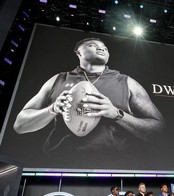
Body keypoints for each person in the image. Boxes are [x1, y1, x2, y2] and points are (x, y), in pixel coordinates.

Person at [13, 37, 165, 153]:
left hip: (114, 164)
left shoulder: (126, 82)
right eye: (93, 45)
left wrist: (117, 114)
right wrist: (51, 109)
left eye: (105, 48)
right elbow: (19, 125)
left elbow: (159, 130)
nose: (101, 49)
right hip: (59, 162)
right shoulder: (58, 79)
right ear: (78, 52)